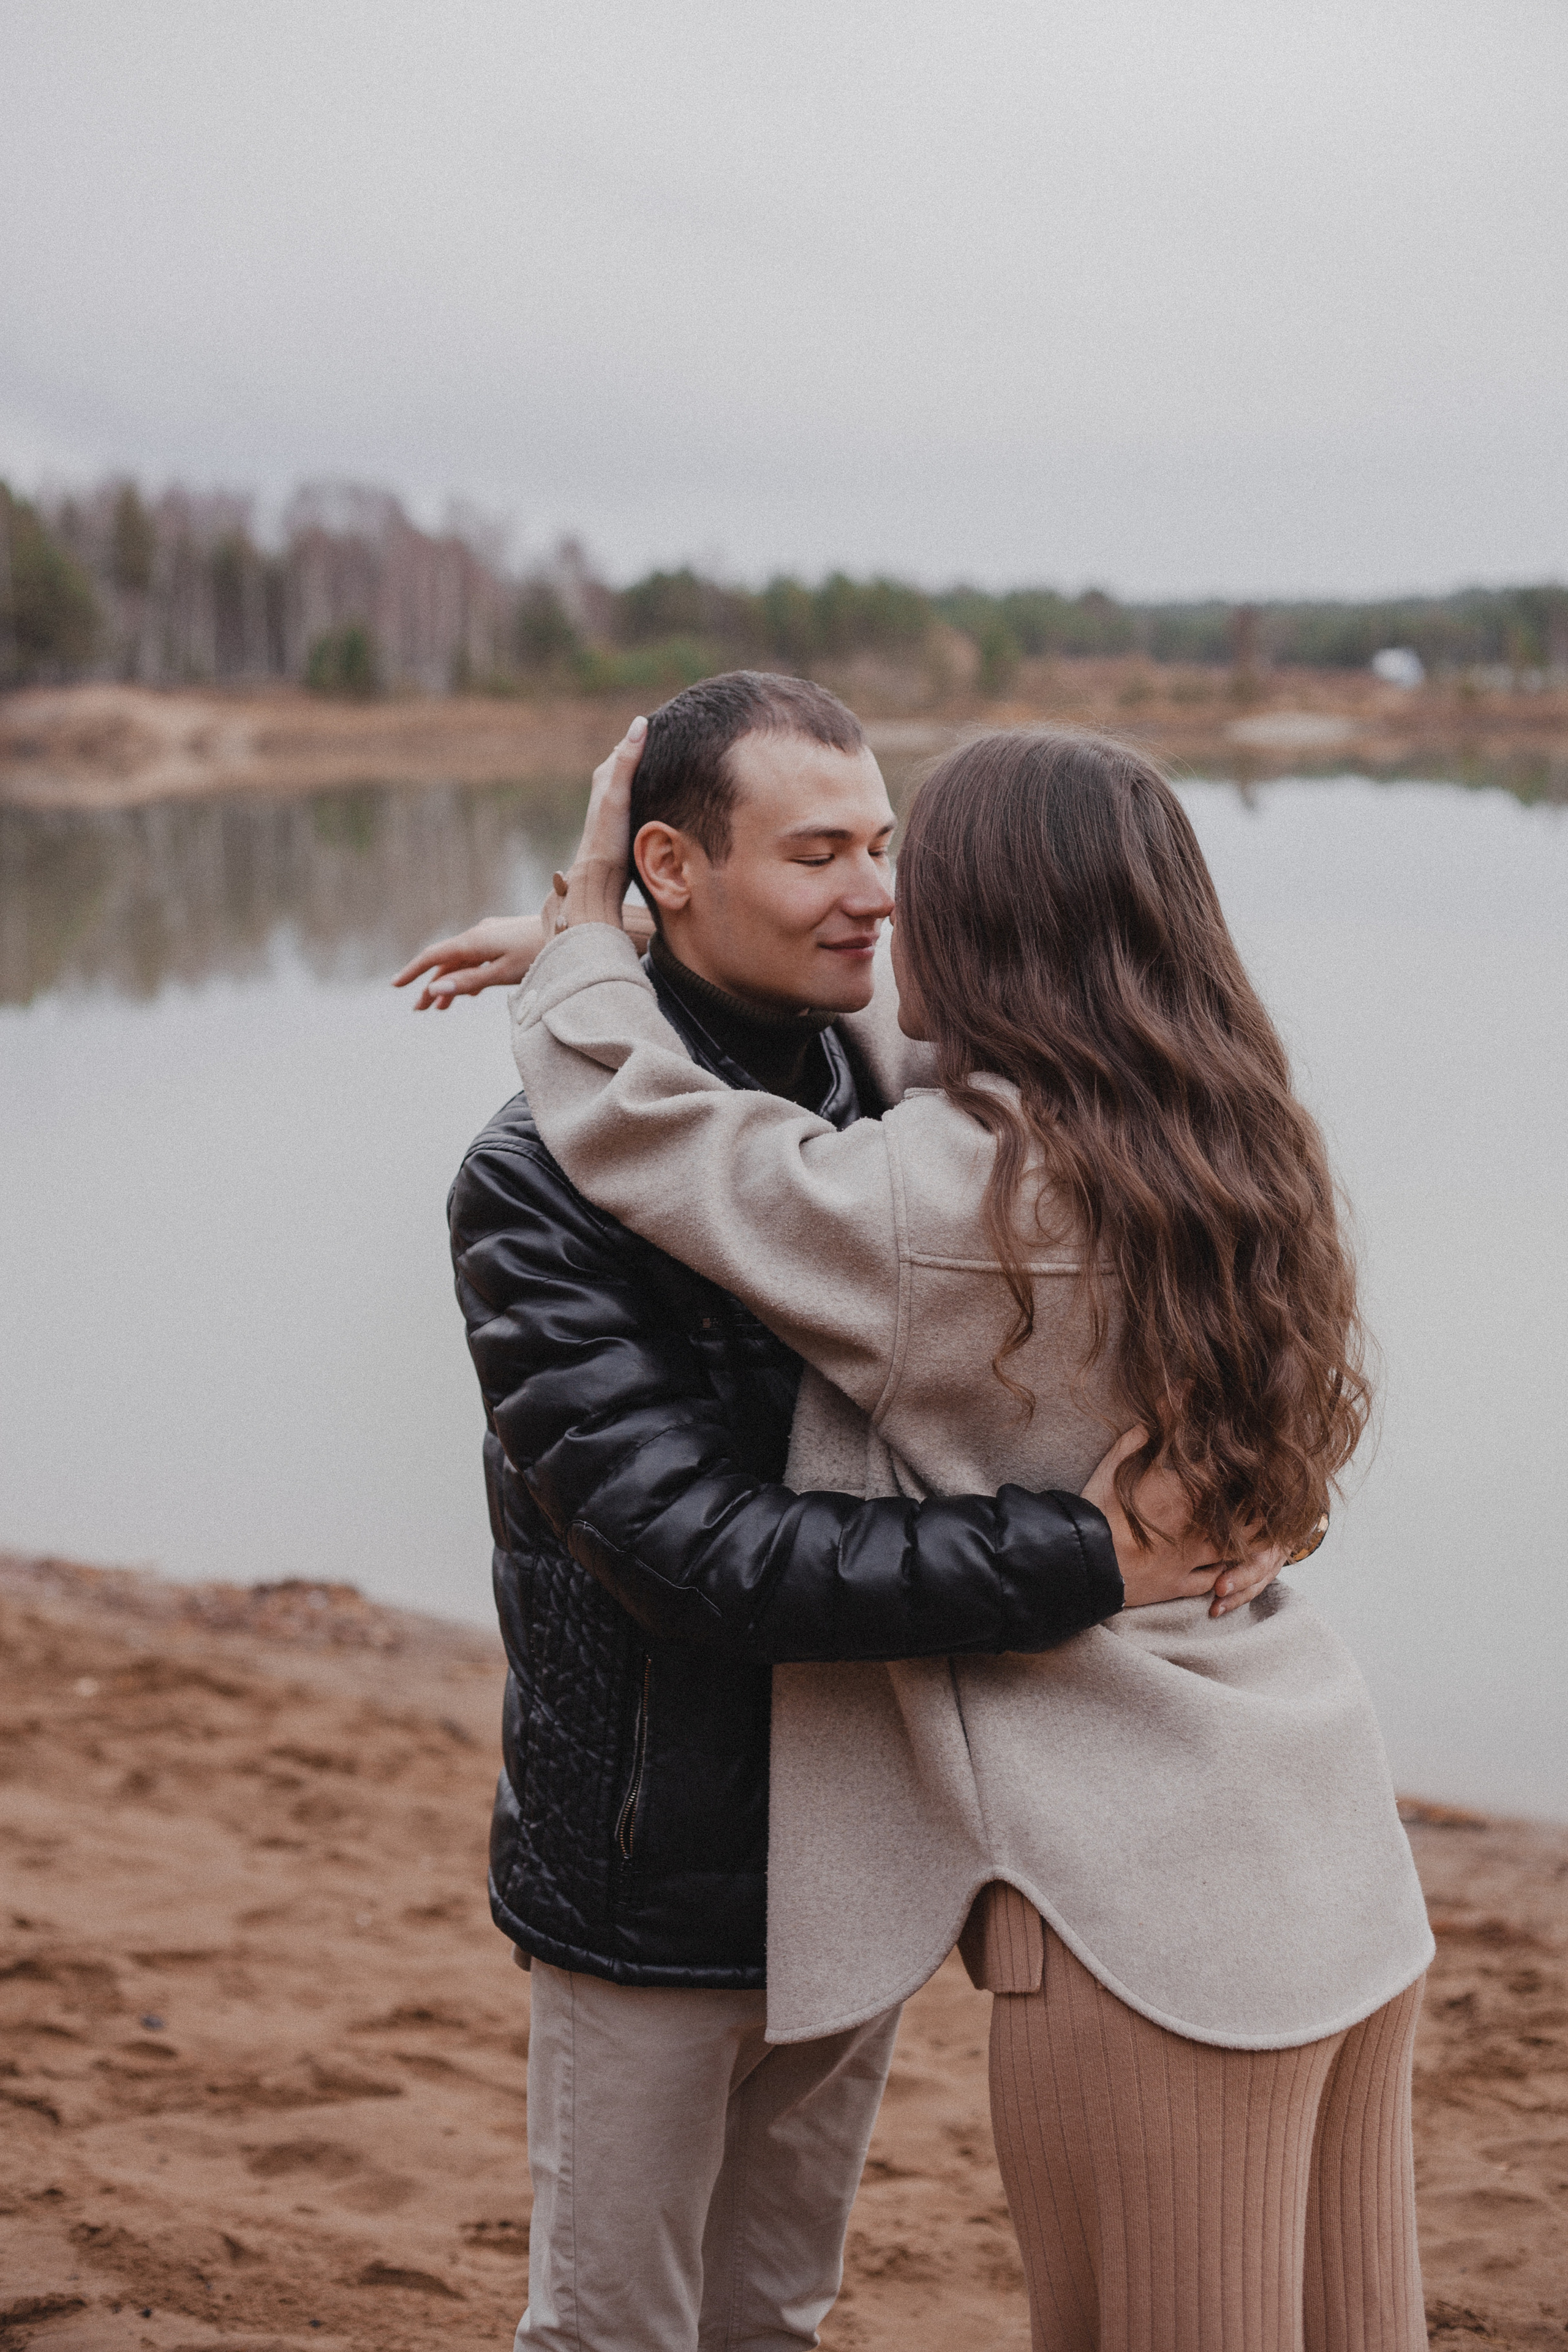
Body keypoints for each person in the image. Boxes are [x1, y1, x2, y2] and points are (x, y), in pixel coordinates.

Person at [499, 719, 1435, 2352]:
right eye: (835, 864)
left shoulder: (954, 1205)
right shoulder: (1225, 1146)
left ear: (990, 934)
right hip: (1327, 1843)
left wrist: (587, 940)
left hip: (1147, 1913)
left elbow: (657, 1138)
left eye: (903, 874)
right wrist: (609, 960)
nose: (873, 914)